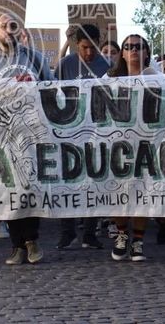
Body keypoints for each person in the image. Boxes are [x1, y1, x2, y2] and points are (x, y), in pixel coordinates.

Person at [0, 13, 53, 265]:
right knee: (6, 188)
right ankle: (16, 244)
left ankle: (32, 240)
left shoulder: (35, 59)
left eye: (13, 26)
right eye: (3, 26)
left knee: (29, 185)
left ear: (20, 31)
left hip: (29, 134)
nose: (8, 30)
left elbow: (51, 88)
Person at [106, 34, 161, 262]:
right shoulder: (108, 77)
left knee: (142, 193)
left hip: (148, 143)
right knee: (119, 192)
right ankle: (122, 235)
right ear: (123, 52)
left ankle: (138, 240)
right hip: (117, 143)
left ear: (147, 52)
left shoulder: (158, 78)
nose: (134, 50)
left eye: (139, 47)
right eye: (128, 47)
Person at [55, 24, 108, 250]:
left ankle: (89, 232)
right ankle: (68, 232)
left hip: (97, 132)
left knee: (93, 183)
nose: (89, 53)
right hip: (68, 132)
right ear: (77, 45)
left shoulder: (107, 65)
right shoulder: (64, 65)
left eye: (93, 47)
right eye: (85, 48)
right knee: (67, 183)